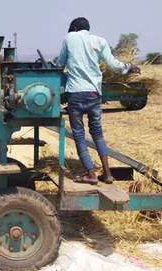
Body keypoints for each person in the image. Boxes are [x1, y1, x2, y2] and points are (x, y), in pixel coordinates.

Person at [55, 17, 141, 185]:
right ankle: (108, 174)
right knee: (98, 134)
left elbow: (60, 65)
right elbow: (114, 65)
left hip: (75, 94)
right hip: (95, 93)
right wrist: (128, 66)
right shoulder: (100, 41)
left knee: (79, 135)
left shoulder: (70, 38)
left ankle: (91, 175)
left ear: (74, 28)